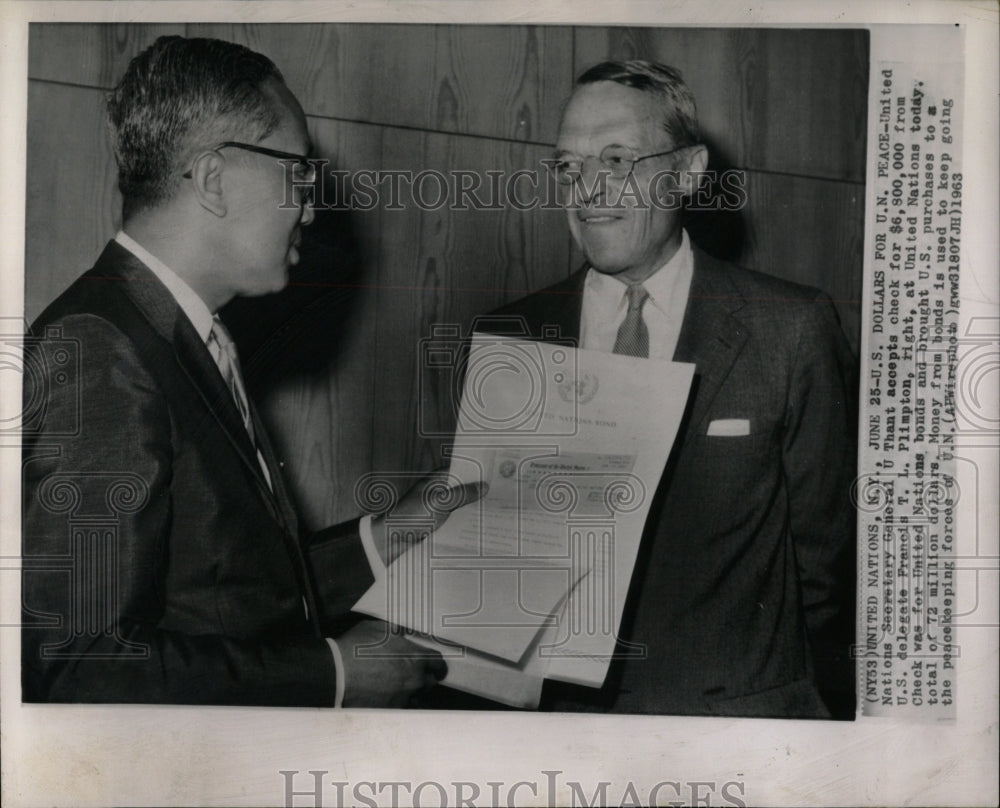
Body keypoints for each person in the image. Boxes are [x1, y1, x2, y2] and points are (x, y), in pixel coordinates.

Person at [20, 36, 479, 708]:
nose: (312, 207)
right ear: (212, 178)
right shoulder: (102, 351)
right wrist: (335, 673)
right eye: (298, 174)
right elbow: (79, 665)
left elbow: (222, 594)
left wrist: (386, 539)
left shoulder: (169, 332)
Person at [484, 60, 857, 718]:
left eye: (617, 158)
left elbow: (822, 563)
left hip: (741, 725)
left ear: (687, 171)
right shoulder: (514, 336)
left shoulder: (790, 329)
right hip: (564, 734)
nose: (588, 189)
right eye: (568, 165)